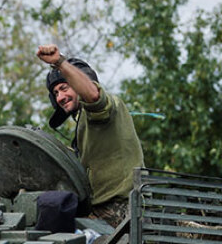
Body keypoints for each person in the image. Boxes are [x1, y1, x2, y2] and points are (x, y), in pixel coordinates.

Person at [36, 44, 144, 225]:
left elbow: (94, 96)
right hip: (101, 210)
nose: (60, 97)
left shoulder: (102, 109)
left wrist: (60, 63)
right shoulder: (83, 124)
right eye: (55, 93)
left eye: (64, 88)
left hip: (121, 210)